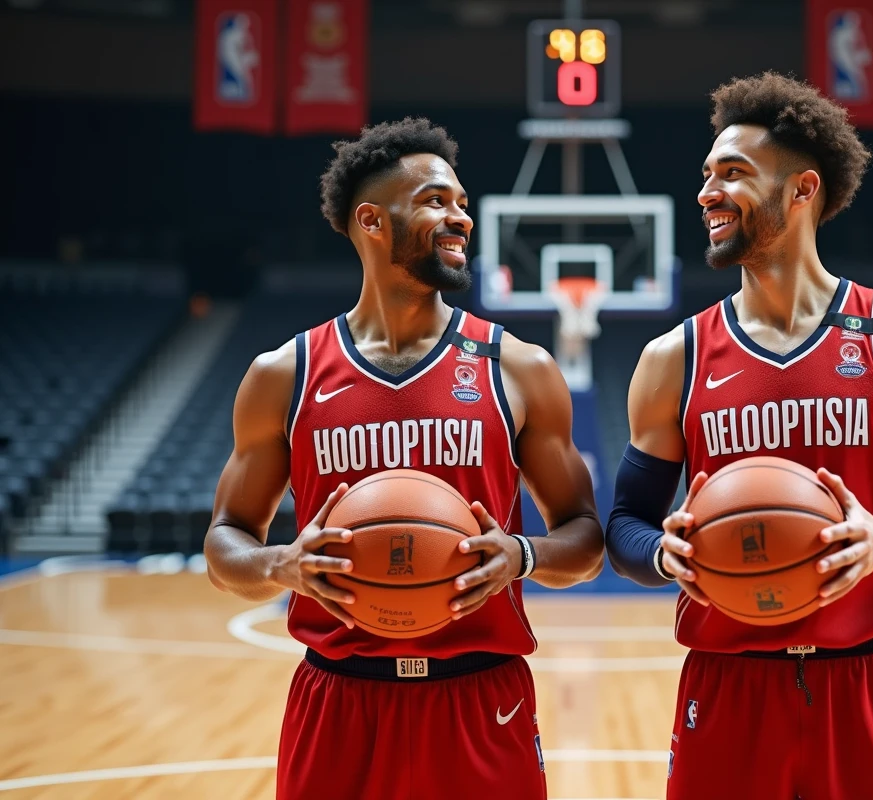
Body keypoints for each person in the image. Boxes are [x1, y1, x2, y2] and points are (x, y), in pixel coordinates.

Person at [605, 72, 873, 799]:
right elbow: (624, 523)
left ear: (802, 190)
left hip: (869, 679)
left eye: (733, 174)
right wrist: (667, 554)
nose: (706, 193)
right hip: (726, 686)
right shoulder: (674, 359)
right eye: (705, 174)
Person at [204, 118, 604, 800]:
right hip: (338, 701)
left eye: (462, 204)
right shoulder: (286, 373)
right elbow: (224, 541)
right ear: (371, 220)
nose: (460, 218)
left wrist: (522, 555)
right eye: (436, 201)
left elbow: (586, 536)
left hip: (481, 699)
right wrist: (281, 563)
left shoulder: (518, 368)